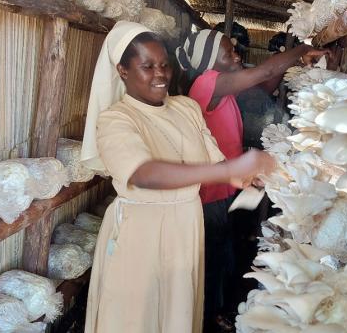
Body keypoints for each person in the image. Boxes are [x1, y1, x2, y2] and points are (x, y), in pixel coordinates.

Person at [80, 21, 275, 333]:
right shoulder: (115, 119)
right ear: (123, 71)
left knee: (177, 314)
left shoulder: (186, 108)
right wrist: (228, 171)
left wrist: (244, 177)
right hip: (141, 234)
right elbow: (142, 173)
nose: (160, 74)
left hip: (186, 226)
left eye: (164, 65)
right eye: (147, 66)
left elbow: (215, 161)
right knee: (136, 317)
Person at [175, 29, 328, 331]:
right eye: (227, 52)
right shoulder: (207, 84)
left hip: (226, 188)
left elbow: (265, 81)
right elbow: (267, 70)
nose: (236, 55)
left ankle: (215, 312)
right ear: (207, 62)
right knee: (213, 260)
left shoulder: (221, 87)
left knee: (224, 254)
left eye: (233, 49)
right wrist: (301, 50)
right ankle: (204, 319)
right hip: (210, 196)